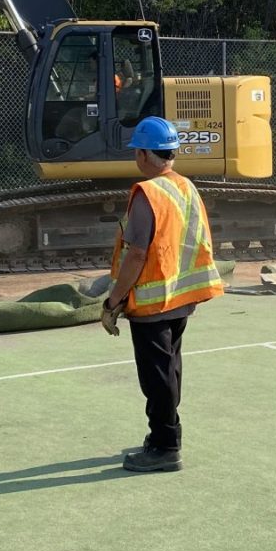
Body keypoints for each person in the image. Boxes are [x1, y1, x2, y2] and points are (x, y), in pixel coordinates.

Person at [102, 116, 224, 473]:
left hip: (154, 302)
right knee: (170, 370)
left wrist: (112, 302)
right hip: (180, 297)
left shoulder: (148, 193)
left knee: (156, 377)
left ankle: (166, 445)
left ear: (143, 154)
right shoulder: (186, 187)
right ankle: (166, 435)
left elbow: (137, 253)